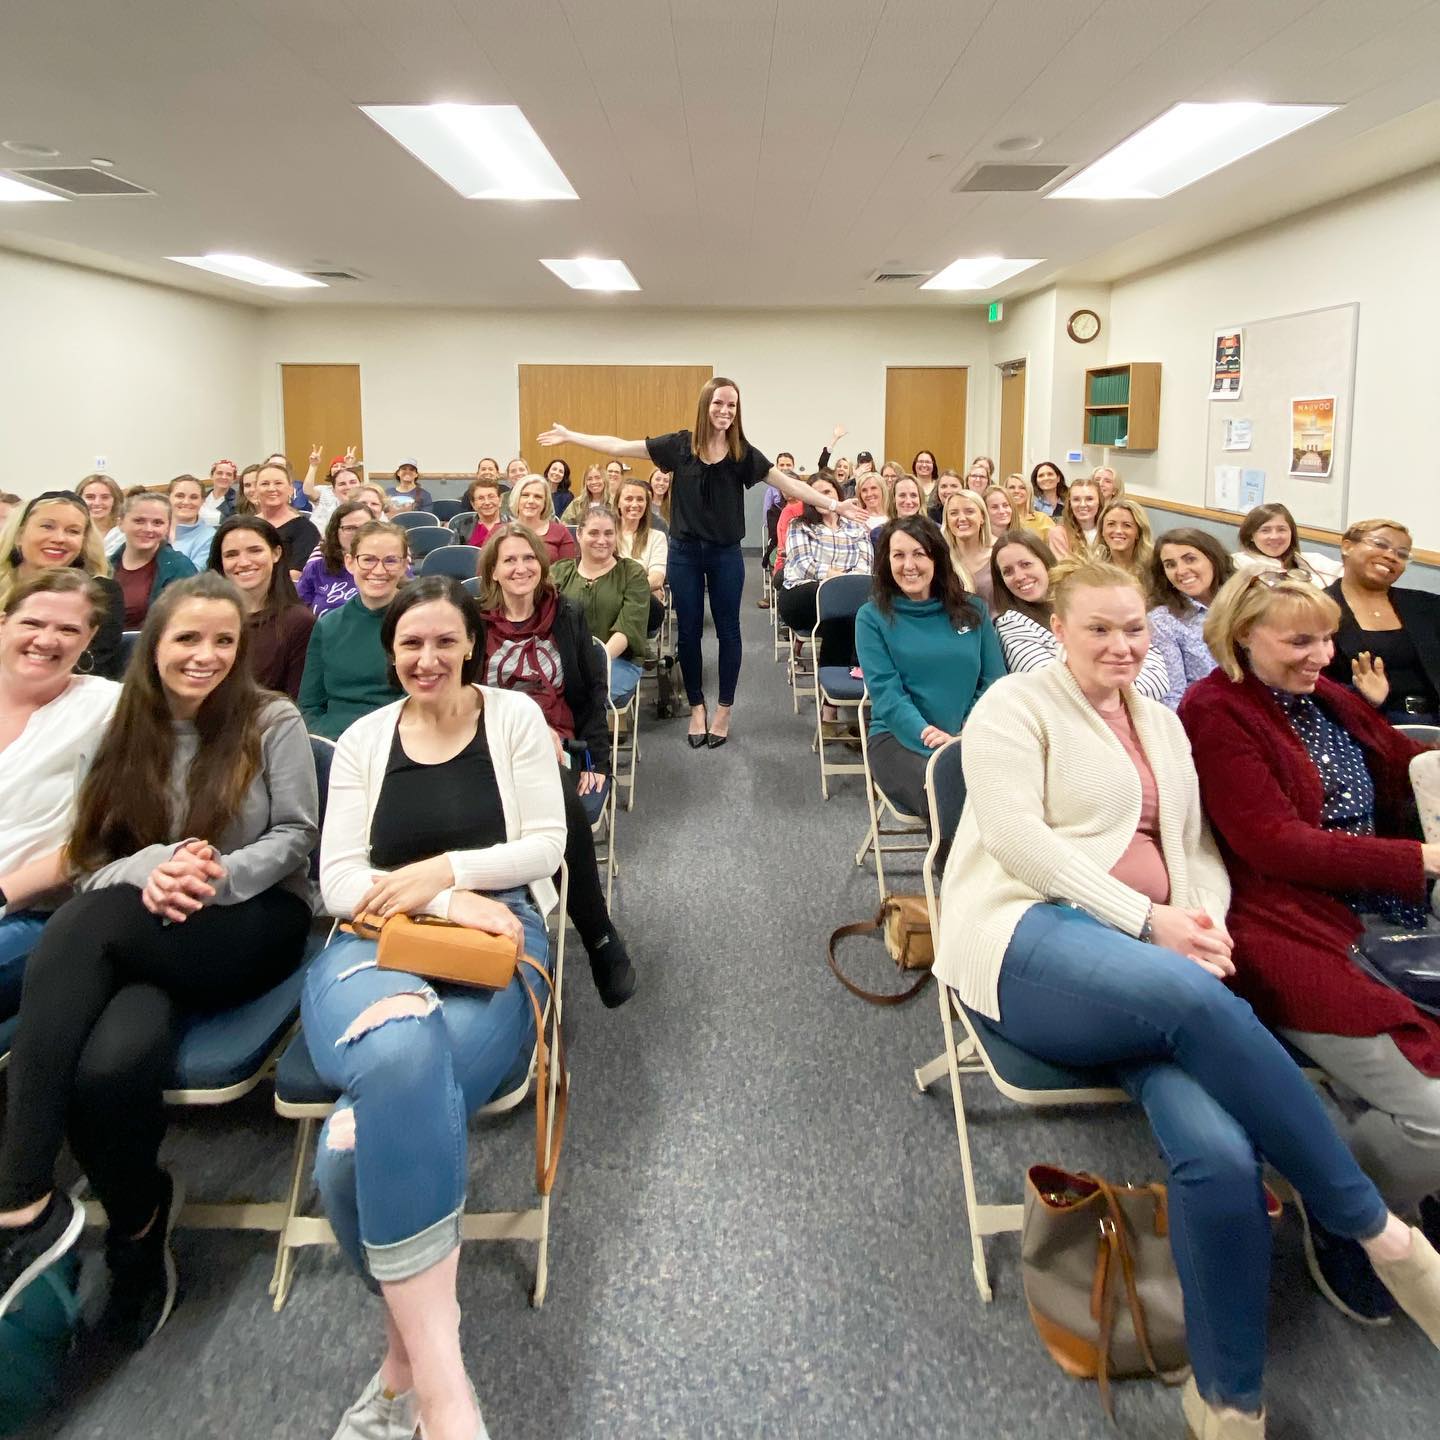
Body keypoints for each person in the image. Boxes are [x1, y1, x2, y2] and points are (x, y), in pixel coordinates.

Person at [934, 556, 1440, 1437]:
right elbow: (1018, 843)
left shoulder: (1163, 725)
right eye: (1099, 628)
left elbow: (1198, 847)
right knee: (1196, 1002)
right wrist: (1147, 920)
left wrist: (1200, 917)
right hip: (1029, 934)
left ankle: (1229, 1401)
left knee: (1220, 1154)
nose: (1122, 645)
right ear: (1058, 628)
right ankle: (1381, 1234)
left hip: (1152, 972)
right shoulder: (1012, 707)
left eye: (1134, 627)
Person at [0, 572, 317, 1341]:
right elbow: (92, 853)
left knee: (82, 928)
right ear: (155, 647)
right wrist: (151, 867)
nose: (204, 655)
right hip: (143, 923)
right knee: (107, 1066)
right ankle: (140, 1233)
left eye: (223, 641)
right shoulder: (120, 728)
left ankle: (19, 1198)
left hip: (251, 921)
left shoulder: (269, 719)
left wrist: (208, 874)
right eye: (186, 638)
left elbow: (296, 838)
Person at [302, 576, 563, 1440]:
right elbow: (339, 878)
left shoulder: (514, 720)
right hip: (371, 939)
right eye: (411, 644)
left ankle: (400, 1369)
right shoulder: (368, 738)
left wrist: (446, 873)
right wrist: (443, 898)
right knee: (400, 1056)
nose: (427, 659)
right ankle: (443, 1389)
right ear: (391, 653)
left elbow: (545, 845)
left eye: (444, 642)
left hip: (503, 934)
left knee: (347, 1158)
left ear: (471, 647)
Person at [1182, 569, 1440, 1322]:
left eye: (1327, 636)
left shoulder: (1323, 697)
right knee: (1430, 1111)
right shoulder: (1214, 711)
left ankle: (1406, 1187)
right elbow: (1274, 846)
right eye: (1299, 640)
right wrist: (1415, 861)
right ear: (1240, 638)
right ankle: (1346, 1210)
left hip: (1379, 912)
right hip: (1283, 924)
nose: (1323, 654)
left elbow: (1401, 759)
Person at [540, 376, 867, 748]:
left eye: (732, 405)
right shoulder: (680, 446)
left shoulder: (743, 453)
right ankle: (697, 706)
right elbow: (619, 445)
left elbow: (790, 484)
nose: (725, 411)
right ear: (705, 405)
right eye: (718, 404)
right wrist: (571, 436)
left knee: (729, 631)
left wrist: (834, 504)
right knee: (690, 632)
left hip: (726, 553)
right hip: (684, 553)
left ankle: (724, 709)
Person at [478, 526, 636, 1005]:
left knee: (559, 797)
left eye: (529, 558)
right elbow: (461, 693)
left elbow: (591, 694)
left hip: (558, 743)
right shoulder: (474, 620)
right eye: (509, 561)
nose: (521, 568)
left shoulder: (566, 613)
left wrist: (594, 756)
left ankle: (597, 935)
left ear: (542, 565)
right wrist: (518, 722)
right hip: (486, 737)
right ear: (492, 572)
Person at [0, 572, 122, 1019]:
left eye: (68, 629)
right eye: (32, 623)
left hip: (32, 911)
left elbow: (107, 839)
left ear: (89, 637)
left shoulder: (110, 709)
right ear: (3, 622)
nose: (46, 640)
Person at [854, 516, 1003, 822]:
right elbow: (887, 696)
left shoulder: (973, 610)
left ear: (936, 558)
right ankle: (951, 871)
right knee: (947, 787)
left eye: (919, 553)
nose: (909, 565)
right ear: (886, 562)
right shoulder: (872, 617)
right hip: (898, 739)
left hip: (969, 735)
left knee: (1012, 788)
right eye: (899, 555)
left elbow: (994, 682)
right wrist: (930, 736)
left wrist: (964, 732)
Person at [992, 532, 1169, 700]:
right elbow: (1056, 691)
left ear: (1044, 561)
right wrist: (1119, 688)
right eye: (1008, 571)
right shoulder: (1012, 624)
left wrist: (1110, 692)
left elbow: (1159, 678)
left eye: (1026, 564)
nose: (1019, 576)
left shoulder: (1084, 599)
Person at [1323, 517, 1440, 724]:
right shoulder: (1320, 608)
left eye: (1402, 554)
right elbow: (1310, 683)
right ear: (1347, 546)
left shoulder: (1426, 606)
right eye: (1380, 544)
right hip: (1365, 724)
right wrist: (1360, 696)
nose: (1391, 556)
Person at [299, 520, 407, 739]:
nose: (379, 570)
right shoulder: (328, 625)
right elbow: (309, 706)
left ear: (404, 565)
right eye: (367, 560)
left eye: (391, 561)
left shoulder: (420, 623)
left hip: (394, 740)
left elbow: (419, 704)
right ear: (350, 563)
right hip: (333, 742)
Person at [0, 490, 124, 678]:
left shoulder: (100, 593)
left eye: (73, 531)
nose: (59, 538)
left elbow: (90, 667)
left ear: (84, 541)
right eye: (47, 526)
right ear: (19, 534)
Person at [777, 471, 873, 682]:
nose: (822, 497)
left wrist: (842, 585)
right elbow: (804, 565)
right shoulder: (799, 525)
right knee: (843, 603)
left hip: (844, 599)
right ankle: (848, 678)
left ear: (838, 494)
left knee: (843, 614)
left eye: (827, 491)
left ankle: (834, 693)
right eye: (815, 493)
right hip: (802, 595)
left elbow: (864, 566)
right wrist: (839, 581)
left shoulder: (857, 527)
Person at [552, 504, 650, 704]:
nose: (602, 540)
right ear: (579, 534)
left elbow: (628, 628)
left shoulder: (632, 573)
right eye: (594, 533)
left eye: (609, 533)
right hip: (565, 659)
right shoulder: (559, 573)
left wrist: (593, 664)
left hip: (618, 660)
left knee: (589, 696)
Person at [210, 516, 315, 698]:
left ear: (276, 553)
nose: (243, 562)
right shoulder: (207, 618)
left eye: (255, 551)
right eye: (231, 554)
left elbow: (297, 703)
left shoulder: (299, 622)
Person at [1147, 528, 1234, 710]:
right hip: (1207, 714)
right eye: (1170, 565)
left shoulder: (1243, 603)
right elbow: (1173, 696)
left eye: (1190, 559)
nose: (1181, 571)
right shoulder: (1163, 620)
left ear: (1212, 558)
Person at [108, 491, 197, 627]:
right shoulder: (105, 566)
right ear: (120, 523)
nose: (148, 529)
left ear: (167, 527)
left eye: (157, 523)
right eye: (139, 521)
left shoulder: (181, 568)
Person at [1233, 502, 1342, 587]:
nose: (1274, 536)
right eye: (1265, 530)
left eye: (1281, 529)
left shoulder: (1312, 560)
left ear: (1291, 533)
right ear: (1251, 535)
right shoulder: (1239, 563)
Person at [296, 501, 370, 616]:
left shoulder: (386, 567)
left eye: (366, 527)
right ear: (336, 532)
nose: (358, 533)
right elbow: (299, 611)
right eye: (350, 528)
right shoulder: (317, 567)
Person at [252, 461, 321, 578]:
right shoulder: (245, 526)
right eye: (264, 484)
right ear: (256, 490)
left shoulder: (306, 529)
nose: (271, 488)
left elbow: (297, 574)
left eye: (278, 483)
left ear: (290, 489)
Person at [616, 478, 668, 600]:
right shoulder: (607, 535)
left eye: (640, 499)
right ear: (618, 503)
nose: (635, 504)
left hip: (641, 596)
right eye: (628, 499)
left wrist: (627, 591)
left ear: (646, 504)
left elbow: (656, 579)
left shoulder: (657, 537)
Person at [509, 474, 578, 564]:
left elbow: (567, 573)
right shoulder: (499, 532)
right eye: (525, 495)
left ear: (545, 503)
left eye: (538, 497)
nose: (531, 501)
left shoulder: (561, 533)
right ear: (517, 498)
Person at [941, 491, 994, 606]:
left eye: (969, 511)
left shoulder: (997, 557)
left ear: (982, 518)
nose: (962, 518)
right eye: (954, 513)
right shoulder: (940, 560)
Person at [1096, 495, 1153, 578]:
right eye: (1111, 524)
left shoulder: (1153, 569)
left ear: (1138, 532)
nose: (1118, 531)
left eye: (1127, 525)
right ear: (1102, 531)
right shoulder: (1093, 569)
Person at [167, 475, 218, 569]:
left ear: (202, 501)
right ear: (168, 498)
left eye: (194, 497)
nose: (186, 502)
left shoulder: (210, 537)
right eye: (179, 496)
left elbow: (192, 578)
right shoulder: (155, 529)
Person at [1052, 477, 1102, 558]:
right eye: (1076, 499)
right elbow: (1064, 568)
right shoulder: (1059, 533)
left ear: (1099, 501)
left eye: (1089, 499)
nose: (1082, 505)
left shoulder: (1108, 531)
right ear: (1070, 503)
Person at [79, 473, 125, 550]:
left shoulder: (123, 532)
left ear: (115, 500)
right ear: (79, 499)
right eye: (90, 497)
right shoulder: (72, 531)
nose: (97, 503)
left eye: (105, 497)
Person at [1002, 472, 1054, 541]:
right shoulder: (1001, 518)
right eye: (1012, 487)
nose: (1016, 491)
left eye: (1022, 488)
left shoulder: (1043, 519)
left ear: (1029, 491)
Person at [463, 475, 507, 547]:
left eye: (491, 497)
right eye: (481, 498)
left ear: (500, 500)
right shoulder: (461, 527)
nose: (487, 502)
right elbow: (455, 556)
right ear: (473, 504)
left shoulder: (514, 525)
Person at [199, 459, 239, 525]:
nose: (224, 477)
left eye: (228, 474)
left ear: (233, 480)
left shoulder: (238, 502)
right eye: (219, 473)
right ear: (211, 476)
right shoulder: (201, 497)